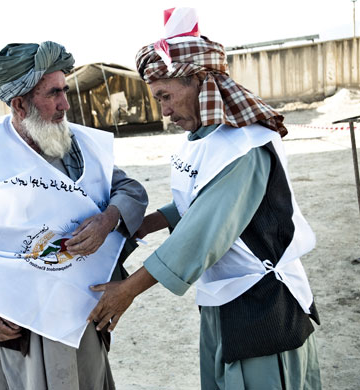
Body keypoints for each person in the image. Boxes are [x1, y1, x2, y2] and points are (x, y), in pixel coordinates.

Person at [87, 7, 321, 390]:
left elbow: (204, 232)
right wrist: (143, 224)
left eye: (166, 96)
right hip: (222, 295)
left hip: (260, 301)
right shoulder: (204, 140)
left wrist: (128, 290)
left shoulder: (242, 147)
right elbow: (197, 201)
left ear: (199, 81)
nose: (163, 111)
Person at [0, 41, 148, 390]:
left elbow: (131, 191)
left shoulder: (78, 144)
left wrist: (108, 218)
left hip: (80, 307)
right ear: (20, 103)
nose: (65, 104)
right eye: (53, 94)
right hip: (16, 315)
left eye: (65, 90)